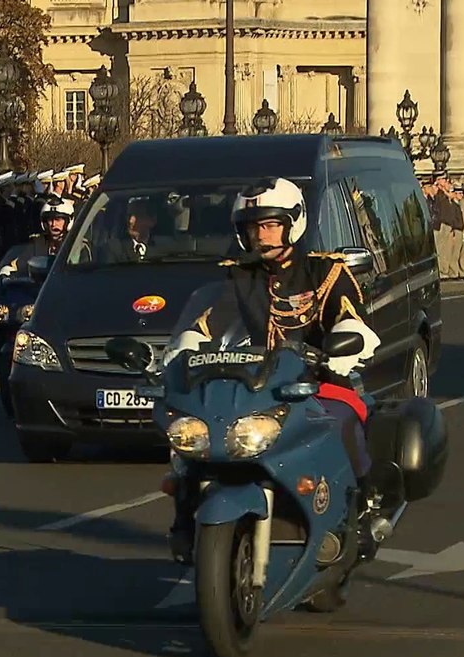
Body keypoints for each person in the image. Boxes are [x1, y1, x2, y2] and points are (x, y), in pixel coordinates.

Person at [162, 177, 381, 563]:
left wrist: (345, 340)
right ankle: (185, 511)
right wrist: (185, 346)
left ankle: (361, 506)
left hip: (318, 380)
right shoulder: (239, 276)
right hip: (257, 383)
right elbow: (210, 320)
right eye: (252, 228)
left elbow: (348, 314)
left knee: (344, 418)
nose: (260, 236)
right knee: (200, 430)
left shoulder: (323, 272)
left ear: (292, 222)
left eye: (268, 225)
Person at [0, 195, 73, 282]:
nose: (53, 224)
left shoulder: (76, 245)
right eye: (50, 220)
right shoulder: (38, 244)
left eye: (58, 219)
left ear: (68, 222)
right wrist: (2, 276)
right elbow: (17, 265)